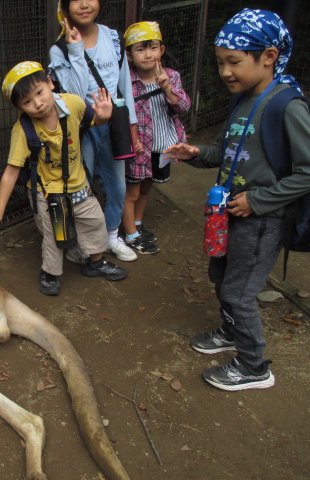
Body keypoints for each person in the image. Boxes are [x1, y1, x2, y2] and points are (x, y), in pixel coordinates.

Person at [164, 9, 310, 391]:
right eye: (220, 63)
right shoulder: (243, 99)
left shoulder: (287, 105)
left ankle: (253, 365)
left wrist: (259, 200)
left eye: (234, 62)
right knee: (220, 275)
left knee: (239, 290)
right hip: (227, 213)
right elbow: (228, 154)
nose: (225, 72)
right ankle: (232, 331)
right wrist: (195, 154)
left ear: (269, 56)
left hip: (261, 221)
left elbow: (307, 172)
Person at [0, 61, 127, 296]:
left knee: (95, 223)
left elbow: (93, 121)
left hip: (79, 184)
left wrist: (104, 117)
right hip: (48, 192)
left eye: (39, 92)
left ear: (50, 82)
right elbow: (11, 171)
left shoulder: (73, 103)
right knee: (56, 237)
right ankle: (50, 273)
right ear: (19, 107)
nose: (37, 103)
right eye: (27, 102)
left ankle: (95, 262)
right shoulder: (23, 131)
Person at [49, 0, 139, 264]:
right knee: (82, 188)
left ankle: (111, 235)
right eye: (76, 0)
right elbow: (74, 96)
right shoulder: (60, 50)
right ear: (64, 9)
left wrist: (132, 126)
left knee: (117, 185)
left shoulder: (112, 38)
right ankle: (85, 242)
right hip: (83, 128)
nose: (85, 4)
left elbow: (124, 86)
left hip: (115, 126)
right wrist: (75, 49)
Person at [122, 21, 191, 254]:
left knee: (146, 188)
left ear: (162, 50)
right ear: (129, 55)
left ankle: (138, 224)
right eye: (140, 49)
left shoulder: (171, 76)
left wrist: (168, 89)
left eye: (152, 47)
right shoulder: (127, 82)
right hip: (139, 147)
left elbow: (183, 107)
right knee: (131, 192)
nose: (147, 54)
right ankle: (131, 235)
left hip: (163, 146)